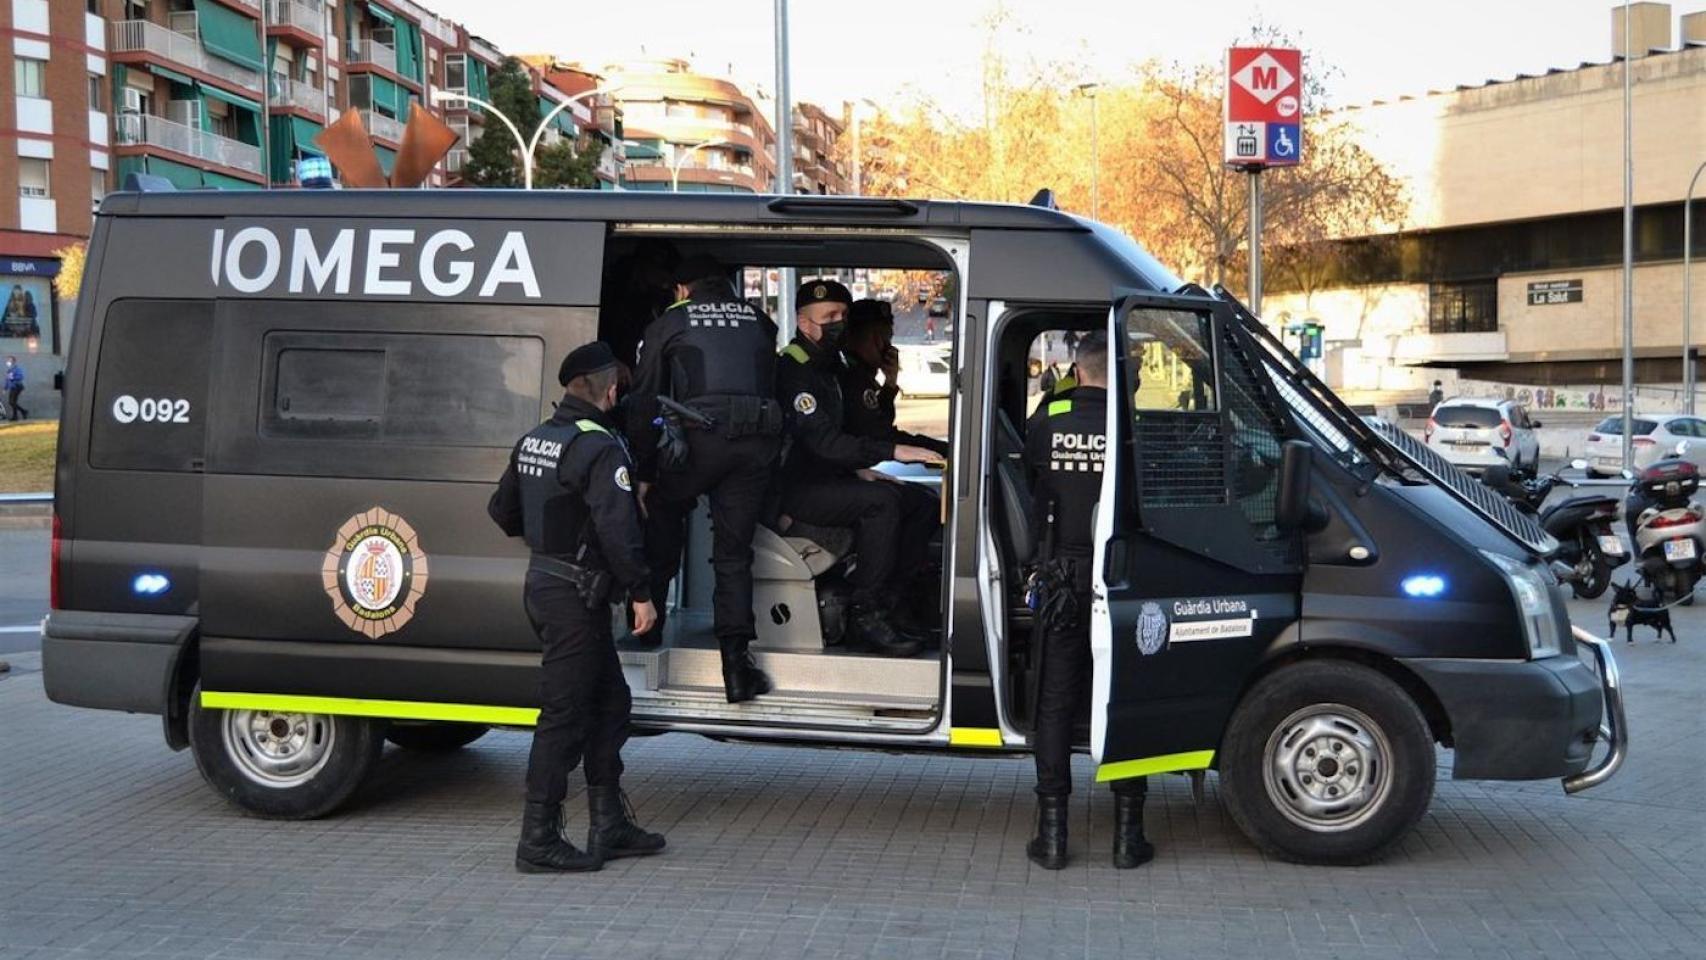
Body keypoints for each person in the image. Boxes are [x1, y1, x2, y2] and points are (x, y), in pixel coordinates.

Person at [488, 342, 667, 874]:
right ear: (608, 390)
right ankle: (537, 838)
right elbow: (619, 528)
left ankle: (609, 824)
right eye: (618, 387)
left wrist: (554, 536)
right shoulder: (599, 446)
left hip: (548, 585)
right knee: (563, 716)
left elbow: (502, 511)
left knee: (610, 704)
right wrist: (641, 593)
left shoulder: (536, 438)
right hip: (574, 596)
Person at [1021, 331, 1152, 870]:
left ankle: (1052, 836)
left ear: (1076, 372)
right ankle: (1128, 836)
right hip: (1123, 579)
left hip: (1062, 579)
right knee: (1124, 701)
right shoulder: (1135, 425)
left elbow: (1029, 483)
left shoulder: (1048, 418)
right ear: (1124, 376)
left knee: (1055, 701)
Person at [628, 254, 784, 703]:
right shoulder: (759, 319)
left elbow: (644, 398)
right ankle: (736, 668)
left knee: (662, 517)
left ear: (682, 289)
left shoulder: (671, 322)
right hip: (756, 444)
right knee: (734, 555)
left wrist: (643, 471)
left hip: (697, 444)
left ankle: (647, 630)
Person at [776, 280, 942, 657]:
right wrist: (892, 451)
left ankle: (892, 600)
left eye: (843, 315)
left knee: (920, 502)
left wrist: (866, 463)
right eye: (829, 316)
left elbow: (863, 428)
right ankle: (865, 612)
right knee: (882, 502)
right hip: (797, 488)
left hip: (829, 479)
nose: (839, 322)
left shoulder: (832, 366)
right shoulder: (794, 369)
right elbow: (823, 442)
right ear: (804, 323)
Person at [840, 299, 946, 628]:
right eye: (880, 338)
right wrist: (903, 450)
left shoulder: (862, 377)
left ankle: (900, 592)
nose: (885, 346)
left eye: (886, 338)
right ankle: (885, 597)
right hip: (836, 473)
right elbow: (874, 434)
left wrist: (889, 383)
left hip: (852, 466)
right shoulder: (847, 377)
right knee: (913, 503)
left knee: (924, 497)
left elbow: (881, 426)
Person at [4, 357, 25, 421]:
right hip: (12, 387)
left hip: (17, 386)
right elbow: (7, 380)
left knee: (12, 402)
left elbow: (21, 376)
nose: (8, 362)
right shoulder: (9, 370)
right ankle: (21, 413)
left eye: (10, 361)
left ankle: (19, 414)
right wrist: (5, 388)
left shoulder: (17, 369)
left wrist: (13, 377)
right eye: (8, 360)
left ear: (14, 362)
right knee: (12, 402)